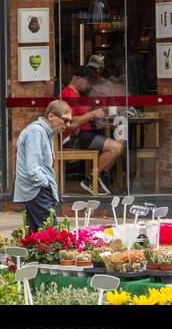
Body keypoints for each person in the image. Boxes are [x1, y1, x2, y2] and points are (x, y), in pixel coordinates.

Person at [61, 64, 122, 195]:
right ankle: (92, 178)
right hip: (72, 137)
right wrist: (93, 114)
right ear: (77, 78)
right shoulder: (68, 93)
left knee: (120, 144)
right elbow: (71, 122)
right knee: (116, 147)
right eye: (87, 81)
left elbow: (80, 117)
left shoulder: (77, 94)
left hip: (82, 134)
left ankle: (99, 177)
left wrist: (95, 115)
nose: (88, 85)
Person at [14, 100, 72, 232]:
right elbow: (33, 167)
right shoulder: (37, 132)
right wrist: (44, 184)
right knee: (52, 235)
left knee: (36, 236)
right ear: (51, 117)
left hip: (37, 190)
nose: (67, 125)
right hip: (37, 190)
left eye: (69, 121)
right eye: (65, 120)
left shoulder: (45, 132)